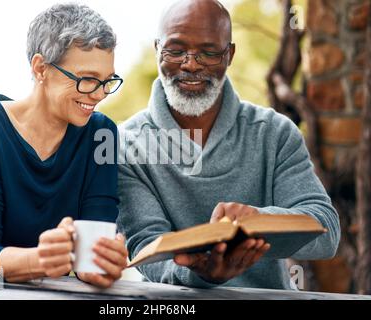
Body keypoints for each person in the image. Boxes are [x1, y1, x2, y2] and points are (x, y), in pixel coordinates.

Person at [117, 0, 340, 289]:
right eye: (176, 50)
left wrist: (258, 222)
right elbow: (145, 246)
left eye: (209, 52)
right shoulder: (126, 145)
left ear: (230, 54)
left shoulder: (275, 133)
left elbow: (327, 232)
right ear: (157, 48)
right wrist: (198, 272)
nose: (191, 64)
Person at [0, 3, 128, 293]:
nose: (99, 94)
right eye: (87, 80)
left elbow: (90, 254)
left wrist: (100, 263)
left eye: (107, 81)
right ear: (41, 68)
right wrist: (40, 260)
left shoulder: (102, 133)